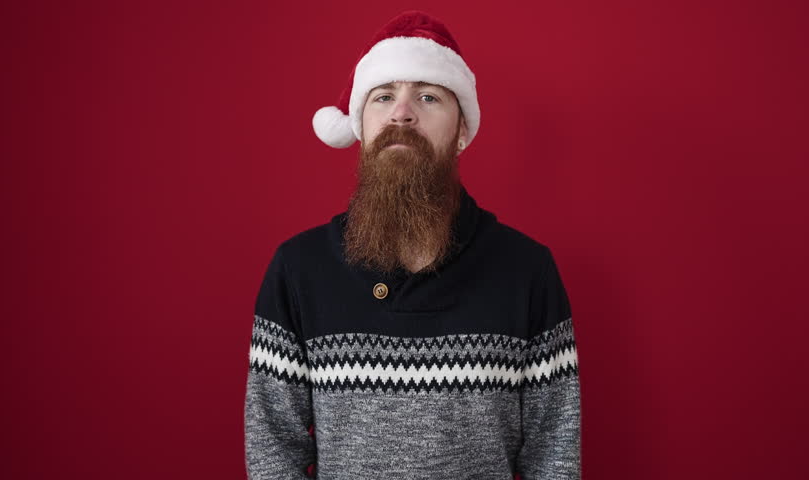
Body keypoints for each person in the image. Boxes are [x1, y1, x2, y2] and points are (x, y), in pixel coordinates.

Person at [244, 10, 581, 480]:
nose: (401, 112)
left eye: (428, 96)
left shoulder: (527, 270)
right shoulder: (299, 269)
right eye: (383, 96)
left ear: (461, 132)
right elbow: (271, 447)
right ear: (361, 127)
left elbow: (554, 453)